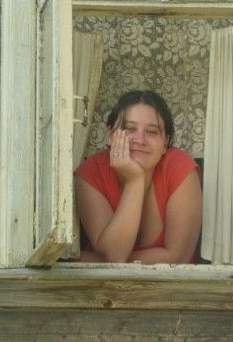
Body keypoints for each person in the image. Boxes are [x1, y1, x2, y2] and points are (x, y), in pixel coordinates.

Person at [75, 90, 202, 263]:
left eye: (152, 131)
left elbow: (177, 258)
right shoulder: (90, 173)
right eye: (129, 128)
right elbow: (115, 253)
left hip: (170, 287)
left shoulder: (179, 167)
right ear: (110, 136)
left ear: (165, 143)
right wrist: (134, 180)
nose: (140, 139)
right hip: (104, 287)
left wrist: (92, 259)